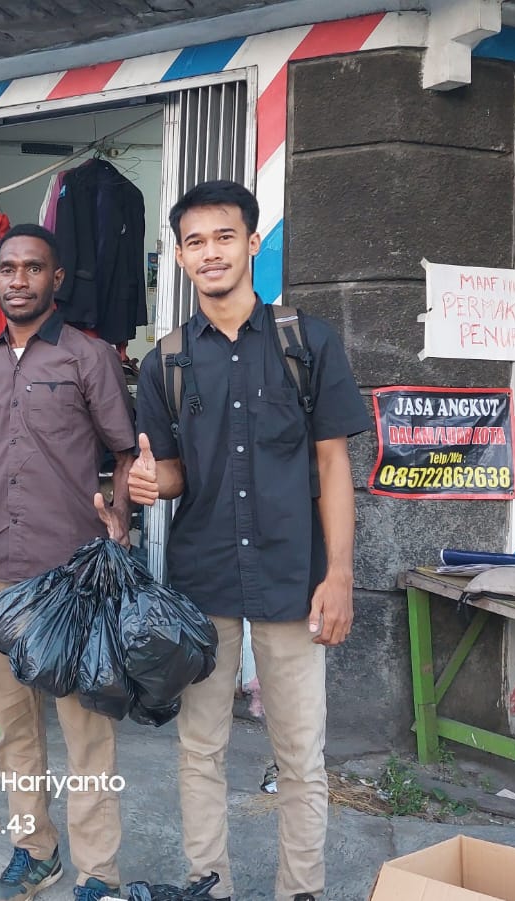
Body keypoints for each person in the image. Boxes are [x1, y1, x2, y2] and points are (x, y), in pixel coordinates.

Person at [126, 181, 370, 901]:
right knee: (199, 749)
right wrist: (149, 484)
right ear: (179, 255)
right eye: (195, 242)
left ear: (253, 243)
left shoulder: (306, 342)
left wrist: (341, 575)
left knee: (299, 754)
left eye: (224, 237)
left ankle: (303, 889)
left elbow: (333, 465)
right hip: (202, 583)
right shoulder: (164, 361)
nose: (210, 253)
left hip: (294, 578)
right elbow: (171, 471)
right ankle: (212, 886)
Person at [0, 224, 137, 901]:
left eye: (32, 267)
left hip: (69, 574)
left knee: (84, 726)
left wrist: (121, 514)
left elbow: (123, 450)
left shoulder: (86, 356)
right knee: (12, 724)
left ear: (56, 278)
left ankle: (99, 869)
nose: (18, 279)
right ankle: (34, 850)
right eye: (8, 268)